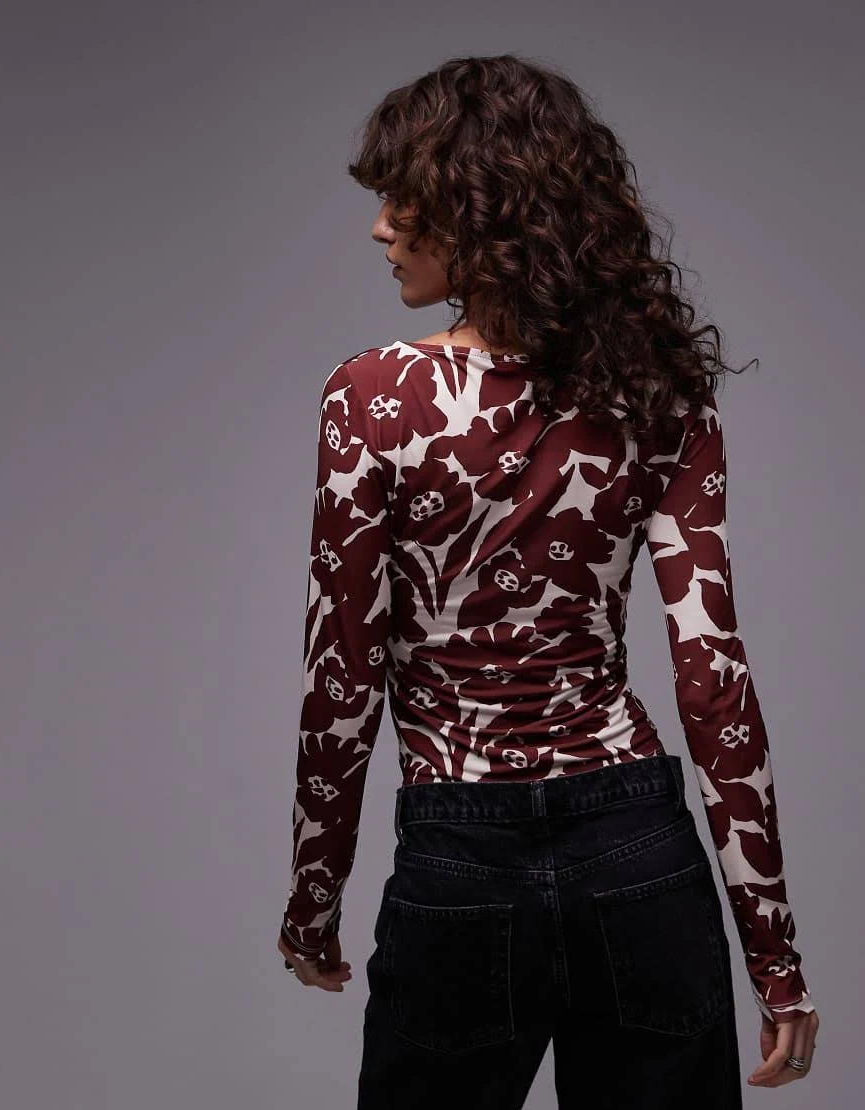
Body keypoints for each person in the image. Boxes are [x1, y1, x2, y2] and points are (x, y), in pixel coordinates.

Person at [276, 53, 819, 1108]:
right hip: (640, 849)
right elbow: (712, 679)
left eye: (402, 200)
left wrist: (312, 900)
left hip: (459, 848)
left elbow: (340, 674)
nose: (379, 228)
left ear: (480, 209)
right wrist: (776, 955)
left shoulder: (373, 397)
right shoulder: (660, 395)